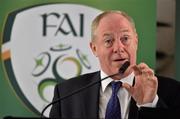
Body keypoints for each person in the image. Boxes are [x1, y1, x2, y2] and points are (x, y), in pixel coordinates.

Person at [49, 10, 180, 119]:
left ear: (136, 42)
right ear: (94, 48)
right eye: (108, 41)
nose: (118, 48)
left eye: (125, 39)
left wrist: (148, 105)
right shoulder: (67, 93)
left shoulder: (172, 91)